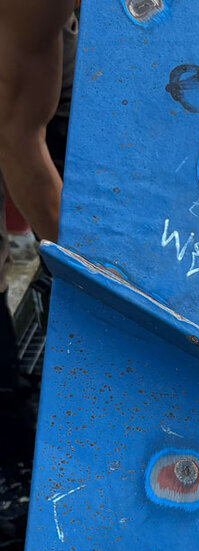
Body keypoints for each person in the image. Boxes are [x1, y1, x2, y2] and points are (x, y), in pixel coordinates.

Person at [0, 0, 78, 389]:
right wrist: (91, 278)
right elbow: (18, 140)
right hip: (22, 27)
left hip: (38, 30)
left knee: (79, 123)